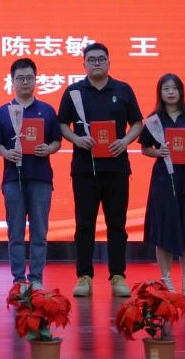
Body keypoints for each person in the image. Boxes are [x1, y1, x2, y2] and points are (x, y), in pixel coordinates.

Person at [57, 42, 143, 298]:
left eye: (101, 59)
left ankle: (118, 276)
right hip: (85, 169)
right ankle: (84, 276)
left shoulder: (123, 89)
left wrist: (125, 141)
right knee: (85, 224)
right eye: (92, 59)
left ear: (108, 62)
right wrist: (77, 139)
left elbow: (137, 123)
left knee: (117, 223)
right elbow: (62, 124)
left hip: (116, 167)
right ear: (84, 64)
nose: (97, 63)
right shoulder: (74, 91)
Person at [0, 58, 61, 291]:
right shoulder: (3, 111)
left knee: (39, 230)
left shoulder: (47, 110)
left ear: (35, 80)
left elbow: (56, 141)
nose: (25, 82)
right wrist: (6, 153)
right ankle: (18, 279)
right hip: (13, 178)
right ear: (12, 81)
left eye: (29, 78)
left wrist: (48, 148)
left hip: (40, 177)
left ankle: (37, 278)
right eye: (20, 78)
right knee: (15, 231)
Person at [139, 73, 185, 298]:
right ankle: (166, 279)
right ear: (160, 92)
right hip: (163, 178)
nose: (170, 92)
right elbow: (145, 148)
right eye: (166, 89)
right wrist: (158, 152)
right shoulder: (154, 120)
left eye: (174, 88)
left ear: (181, 91)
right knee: (164, 227)